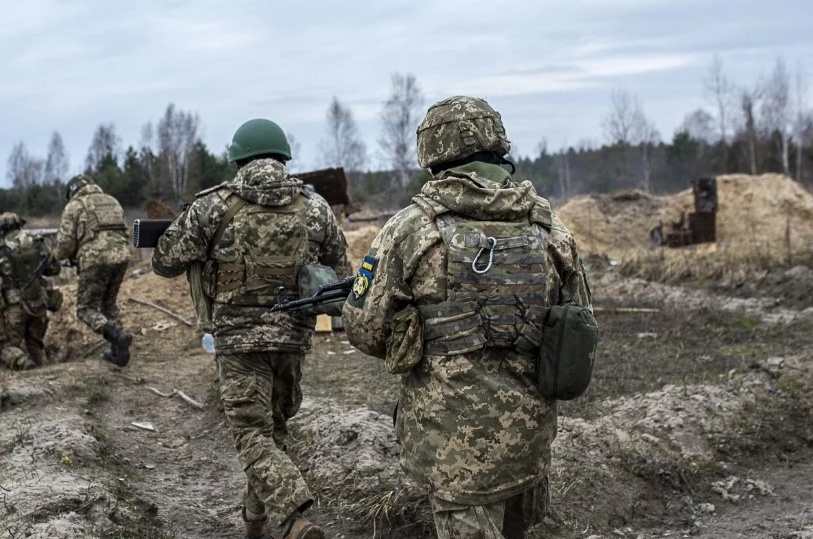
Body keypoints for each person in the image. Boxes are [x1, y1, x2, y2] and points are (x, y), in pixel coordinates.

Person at [343, 96, 593, 539]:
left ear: (433, 156)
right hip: (528, 440)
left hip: (450, 446)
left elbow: (364, 329)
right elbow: (580, 329)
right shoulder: (553, 231)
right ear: (499, 148)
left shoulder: (409, 230)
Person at [151, 118, 350, 539]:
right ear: (283, 158)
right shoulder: (315, 208)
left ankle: (294, 517)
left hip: (239, 342)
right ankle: (254, 521)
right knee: (273, 430)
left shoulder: (212, 206)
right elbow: (340, 271)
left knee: (250, 433)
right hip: (294, 337)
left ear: (238, 159)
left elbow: (165, 262)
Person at [54, 174, 134, 367]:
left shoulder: (74, 206)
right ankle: (119, 352)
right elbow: (124, 231)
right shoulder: (112, 201)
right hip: (122, 256)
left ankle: (117, 336)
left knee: (85, 309)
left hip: (95, 259)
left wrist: (55, 256)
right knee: (109, 304)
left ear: (72, 192)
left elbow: (65, 246)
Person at [0, 212, 61, 370]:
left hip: (14, 306)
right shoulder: (37, 243)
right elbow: (54, 269)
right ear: (19, 225)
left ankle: (23, 363)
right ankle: (44, 373)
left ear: (0, 229)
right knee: (35, 343)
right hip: (39, 302)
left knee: (7, 346)